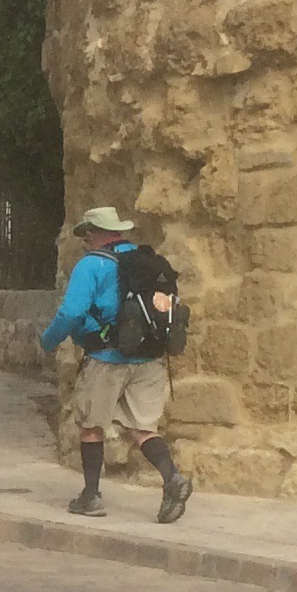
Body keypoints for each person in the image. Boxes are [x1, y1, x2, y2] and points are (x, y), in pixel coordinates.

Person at [38, 206, 193, 523]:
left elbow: (71, 312)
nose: (84, 241)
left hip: (107, 358)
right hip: (148, 358)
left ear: (95, 233)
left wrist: (48, 341)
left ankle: (91, 496)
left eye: (86, 235)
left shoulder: (91, 264)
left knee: (91, 426)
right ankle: (173, 478)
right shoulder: (146, 261)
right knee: (143, 429)